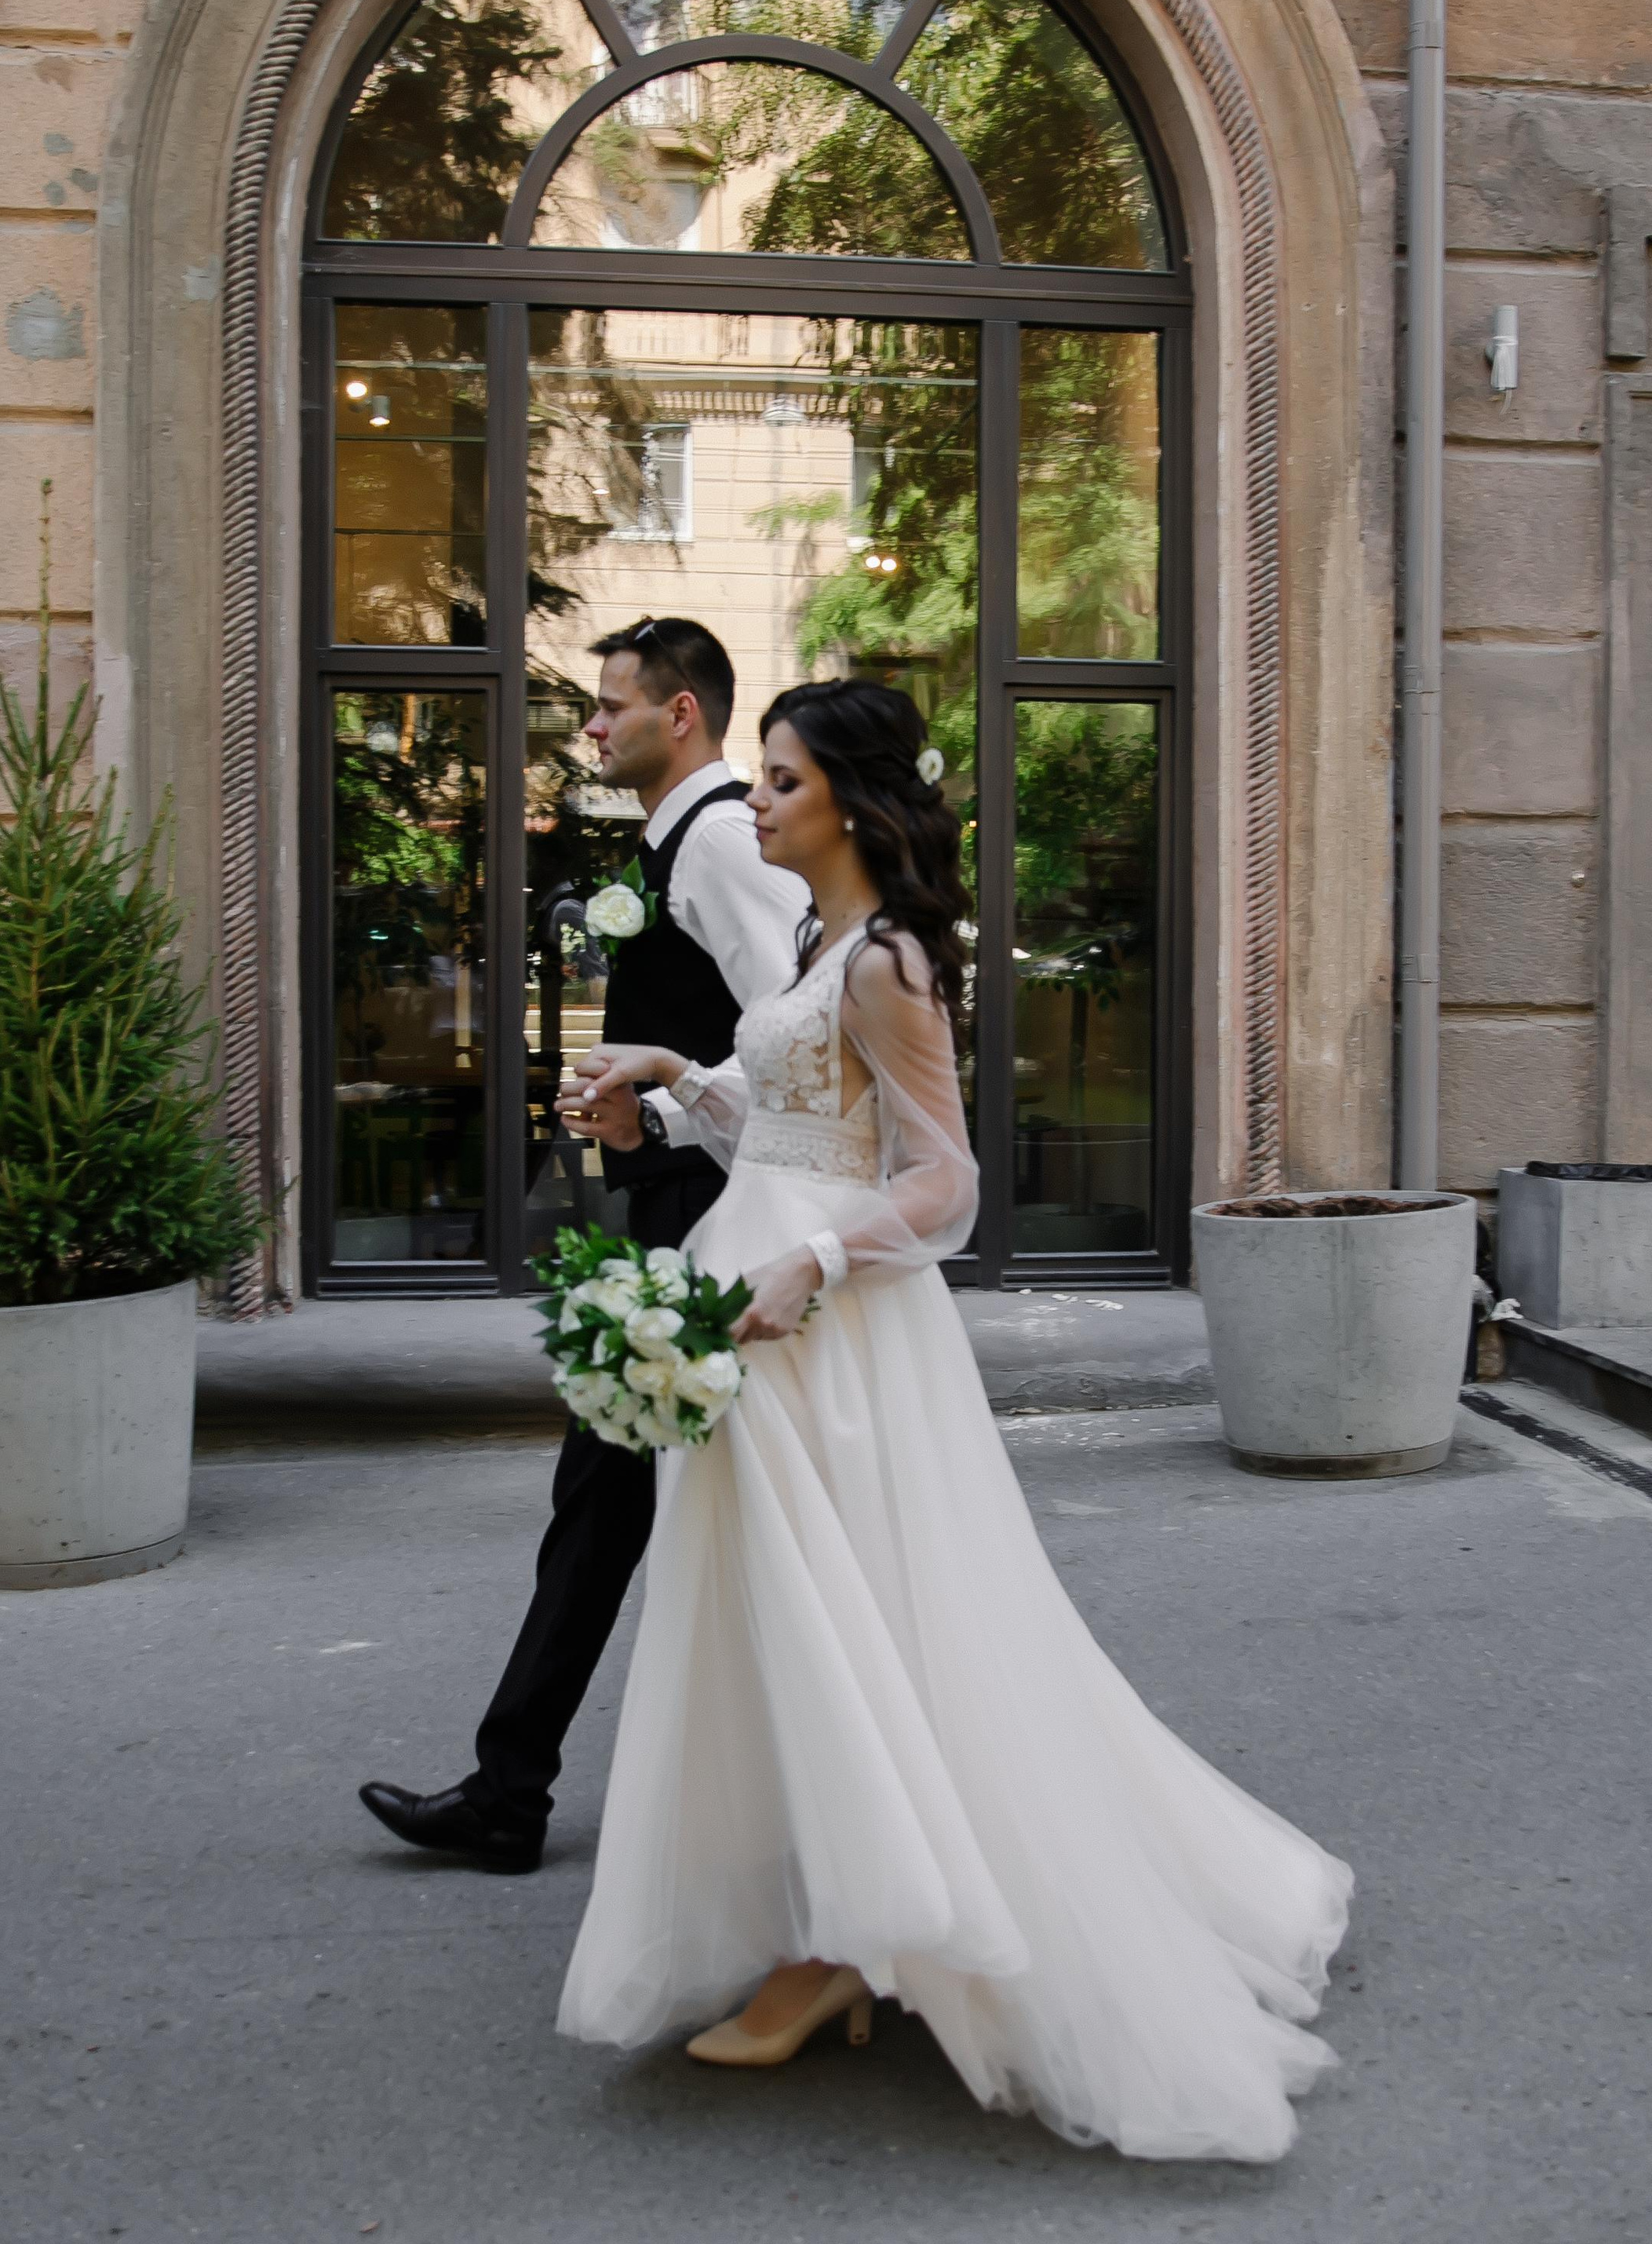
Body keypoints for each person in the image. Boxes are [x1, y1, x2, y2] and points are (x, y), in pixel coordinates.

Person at [556, 678, 1352, 2162]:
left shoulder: (891, 963)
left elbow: (943, 1182)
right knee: (776, 1622)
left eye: (782, 781)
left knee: (848, 1616)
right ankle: (832, 1903)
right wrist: (663, 1093)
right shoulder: (821, 941)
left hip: (828, 1332)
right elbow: (796, 1116)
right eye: (762, 777)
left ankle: (846, 1938)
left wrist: (812, 1261)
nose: (757, 801)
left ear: (851, 804)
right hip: (753, 1314)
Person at [359, 618, 807, 1875]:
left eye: (613, 706)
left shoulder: (722, 841)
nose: (594, 727)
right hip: (678, 1206)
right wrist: (644, 1107)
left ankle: (522, 1791)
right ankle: (515, 1788)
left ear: (682, 714)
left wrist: (668, 1103)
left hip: (708, 1224)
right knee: (606, 1501)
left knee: (644, 1502)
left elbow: (797, 1040)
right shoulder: (682, 840)